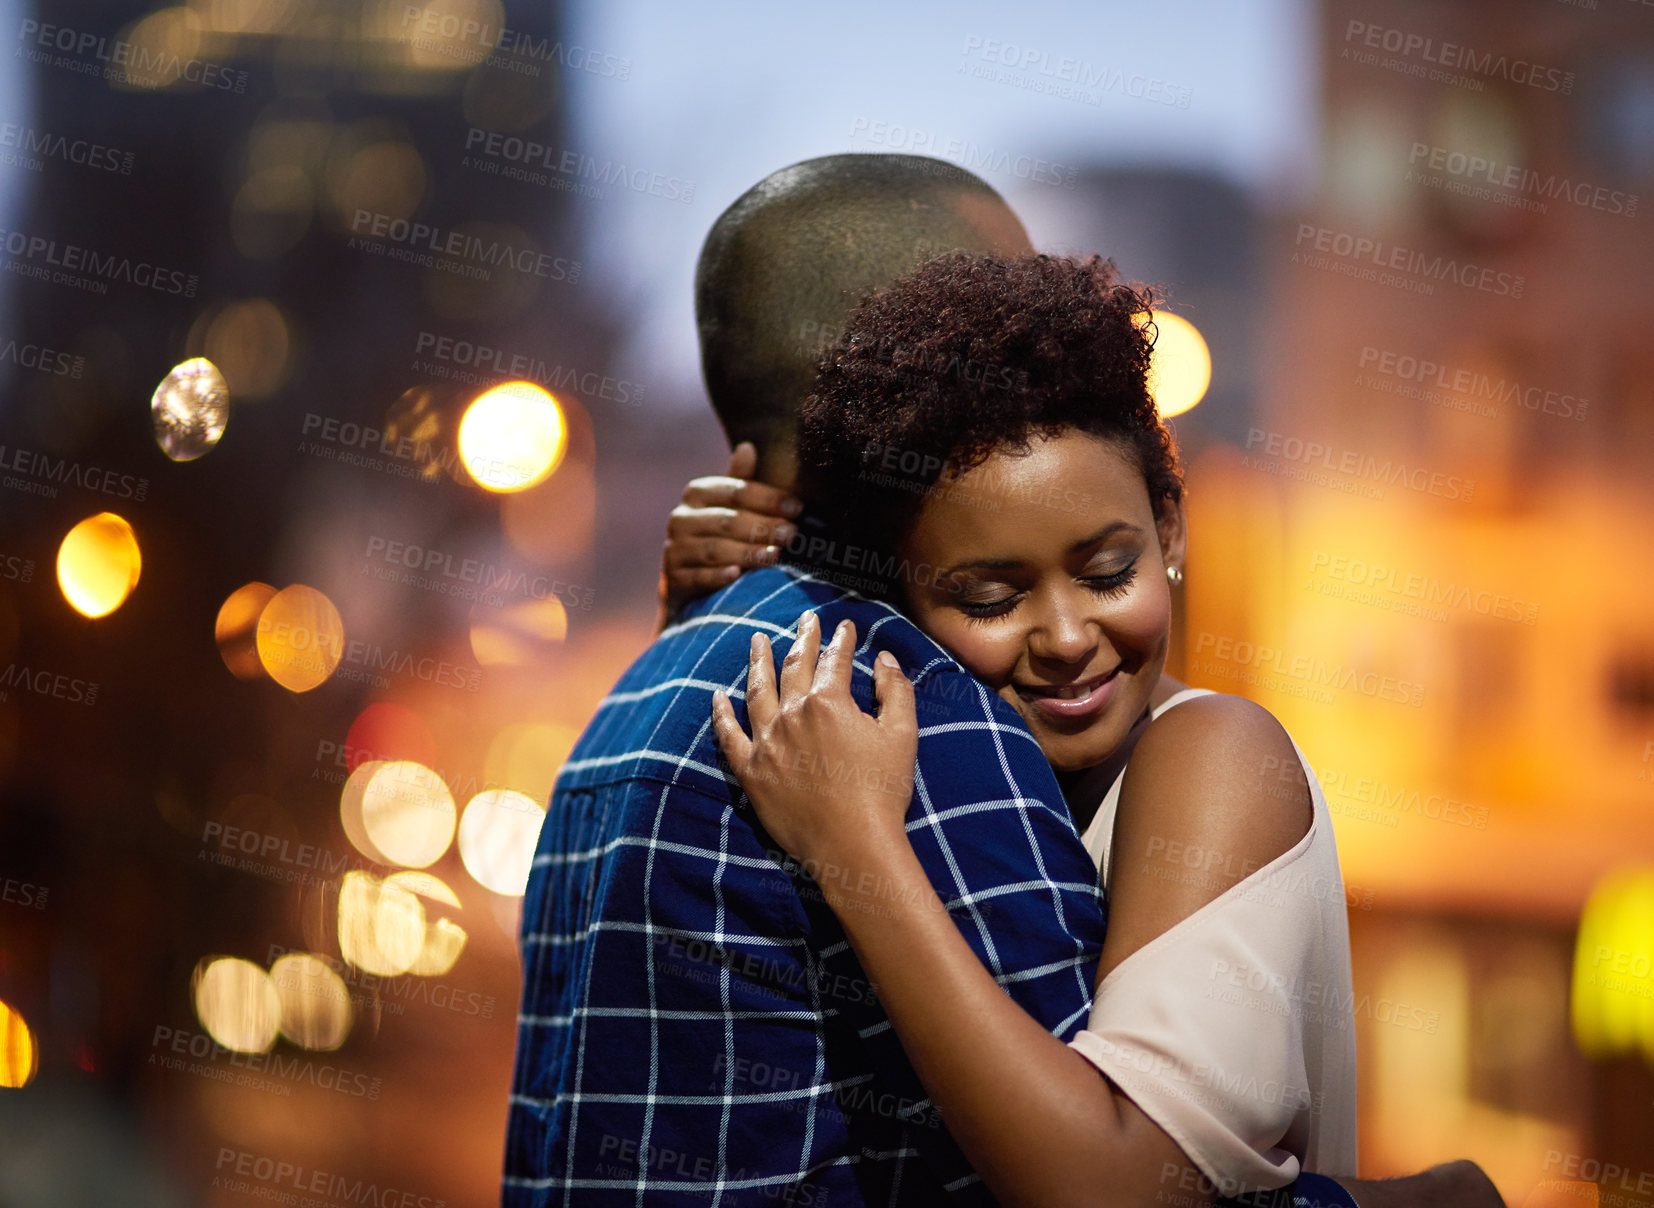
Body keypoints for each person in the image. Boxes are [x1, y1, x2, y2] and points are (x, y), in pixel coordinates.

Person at [669, 253, 1504, 1208]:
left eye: (1110, 572)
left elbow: (1118, 1190)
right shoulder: (982, 772)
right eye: (991, 595)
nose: (1069, 639)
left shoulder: (1212, 754)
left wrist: (853, 846)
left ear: (1171, 532)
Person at [503, 153, 1111, 1208]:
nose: (1058, 388)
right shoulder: (895, 704)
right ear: (948, 385)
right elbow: (1100, 1167)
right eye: (1023, 349)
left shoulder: (633, 699)